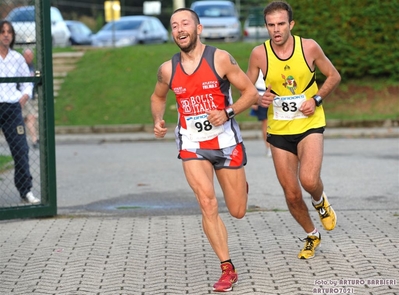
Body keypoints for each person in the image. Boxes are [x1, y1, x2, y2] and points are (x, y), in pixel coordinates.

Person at [150, 8, 258, 292]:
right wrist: (158, 120)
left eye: (185, 23)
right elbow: (157, 96)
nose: (180, 29)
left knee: (237, 211)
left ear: (199, 28)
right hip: (192, 144)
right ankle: (227, 268)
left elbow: (251, 93)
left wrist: (228, 111)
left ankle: (239, 185)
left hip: (225, 143)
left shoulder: (220, 58)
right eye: (174, 25)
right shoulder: (167, 69)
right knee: (207, 202)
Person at [246, 1, 341, 259]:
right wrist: (258, 98)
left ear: (291, 24)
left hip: (309, 122)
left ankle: (320, 201)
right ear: (266, 26)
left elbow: (333, 76)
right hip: (278, 129)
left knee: (309, 180)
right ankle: (312, 234)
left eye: (281, 24)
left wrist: (317, 99)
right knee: (291, 193)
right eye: (271, 25)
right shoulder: (259, 54)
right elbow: (247, 89)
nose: (276, 30)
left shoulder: (308, 47)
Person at [0, 20, 40, 204]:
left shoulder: (17, 58)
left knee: (21, 149)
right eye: (2, 31)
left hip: (12, 108)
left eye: (9, 32)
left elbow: (27, 82)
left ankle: (25, 191)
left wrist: (24, 97)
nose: (6, 34)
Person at [249, 71, 272, 157]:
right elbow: (250, 82)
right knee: (265, 123)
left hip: (275, 95)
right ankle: (268, 147)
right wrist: (253, 100)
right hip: (261, 95)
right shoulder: (258, 60)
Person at [22, 48, 39, 149]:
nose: (29, 57)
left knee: (29, 118)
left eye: (30, 55)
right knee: (30, 117)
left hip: (31, 96)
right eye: (27, 55)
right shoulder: (21, 67)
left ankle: (34, 138)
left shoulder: (33, 67)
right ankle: (34, 139)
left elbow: (37, 78)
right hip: (23, 96)